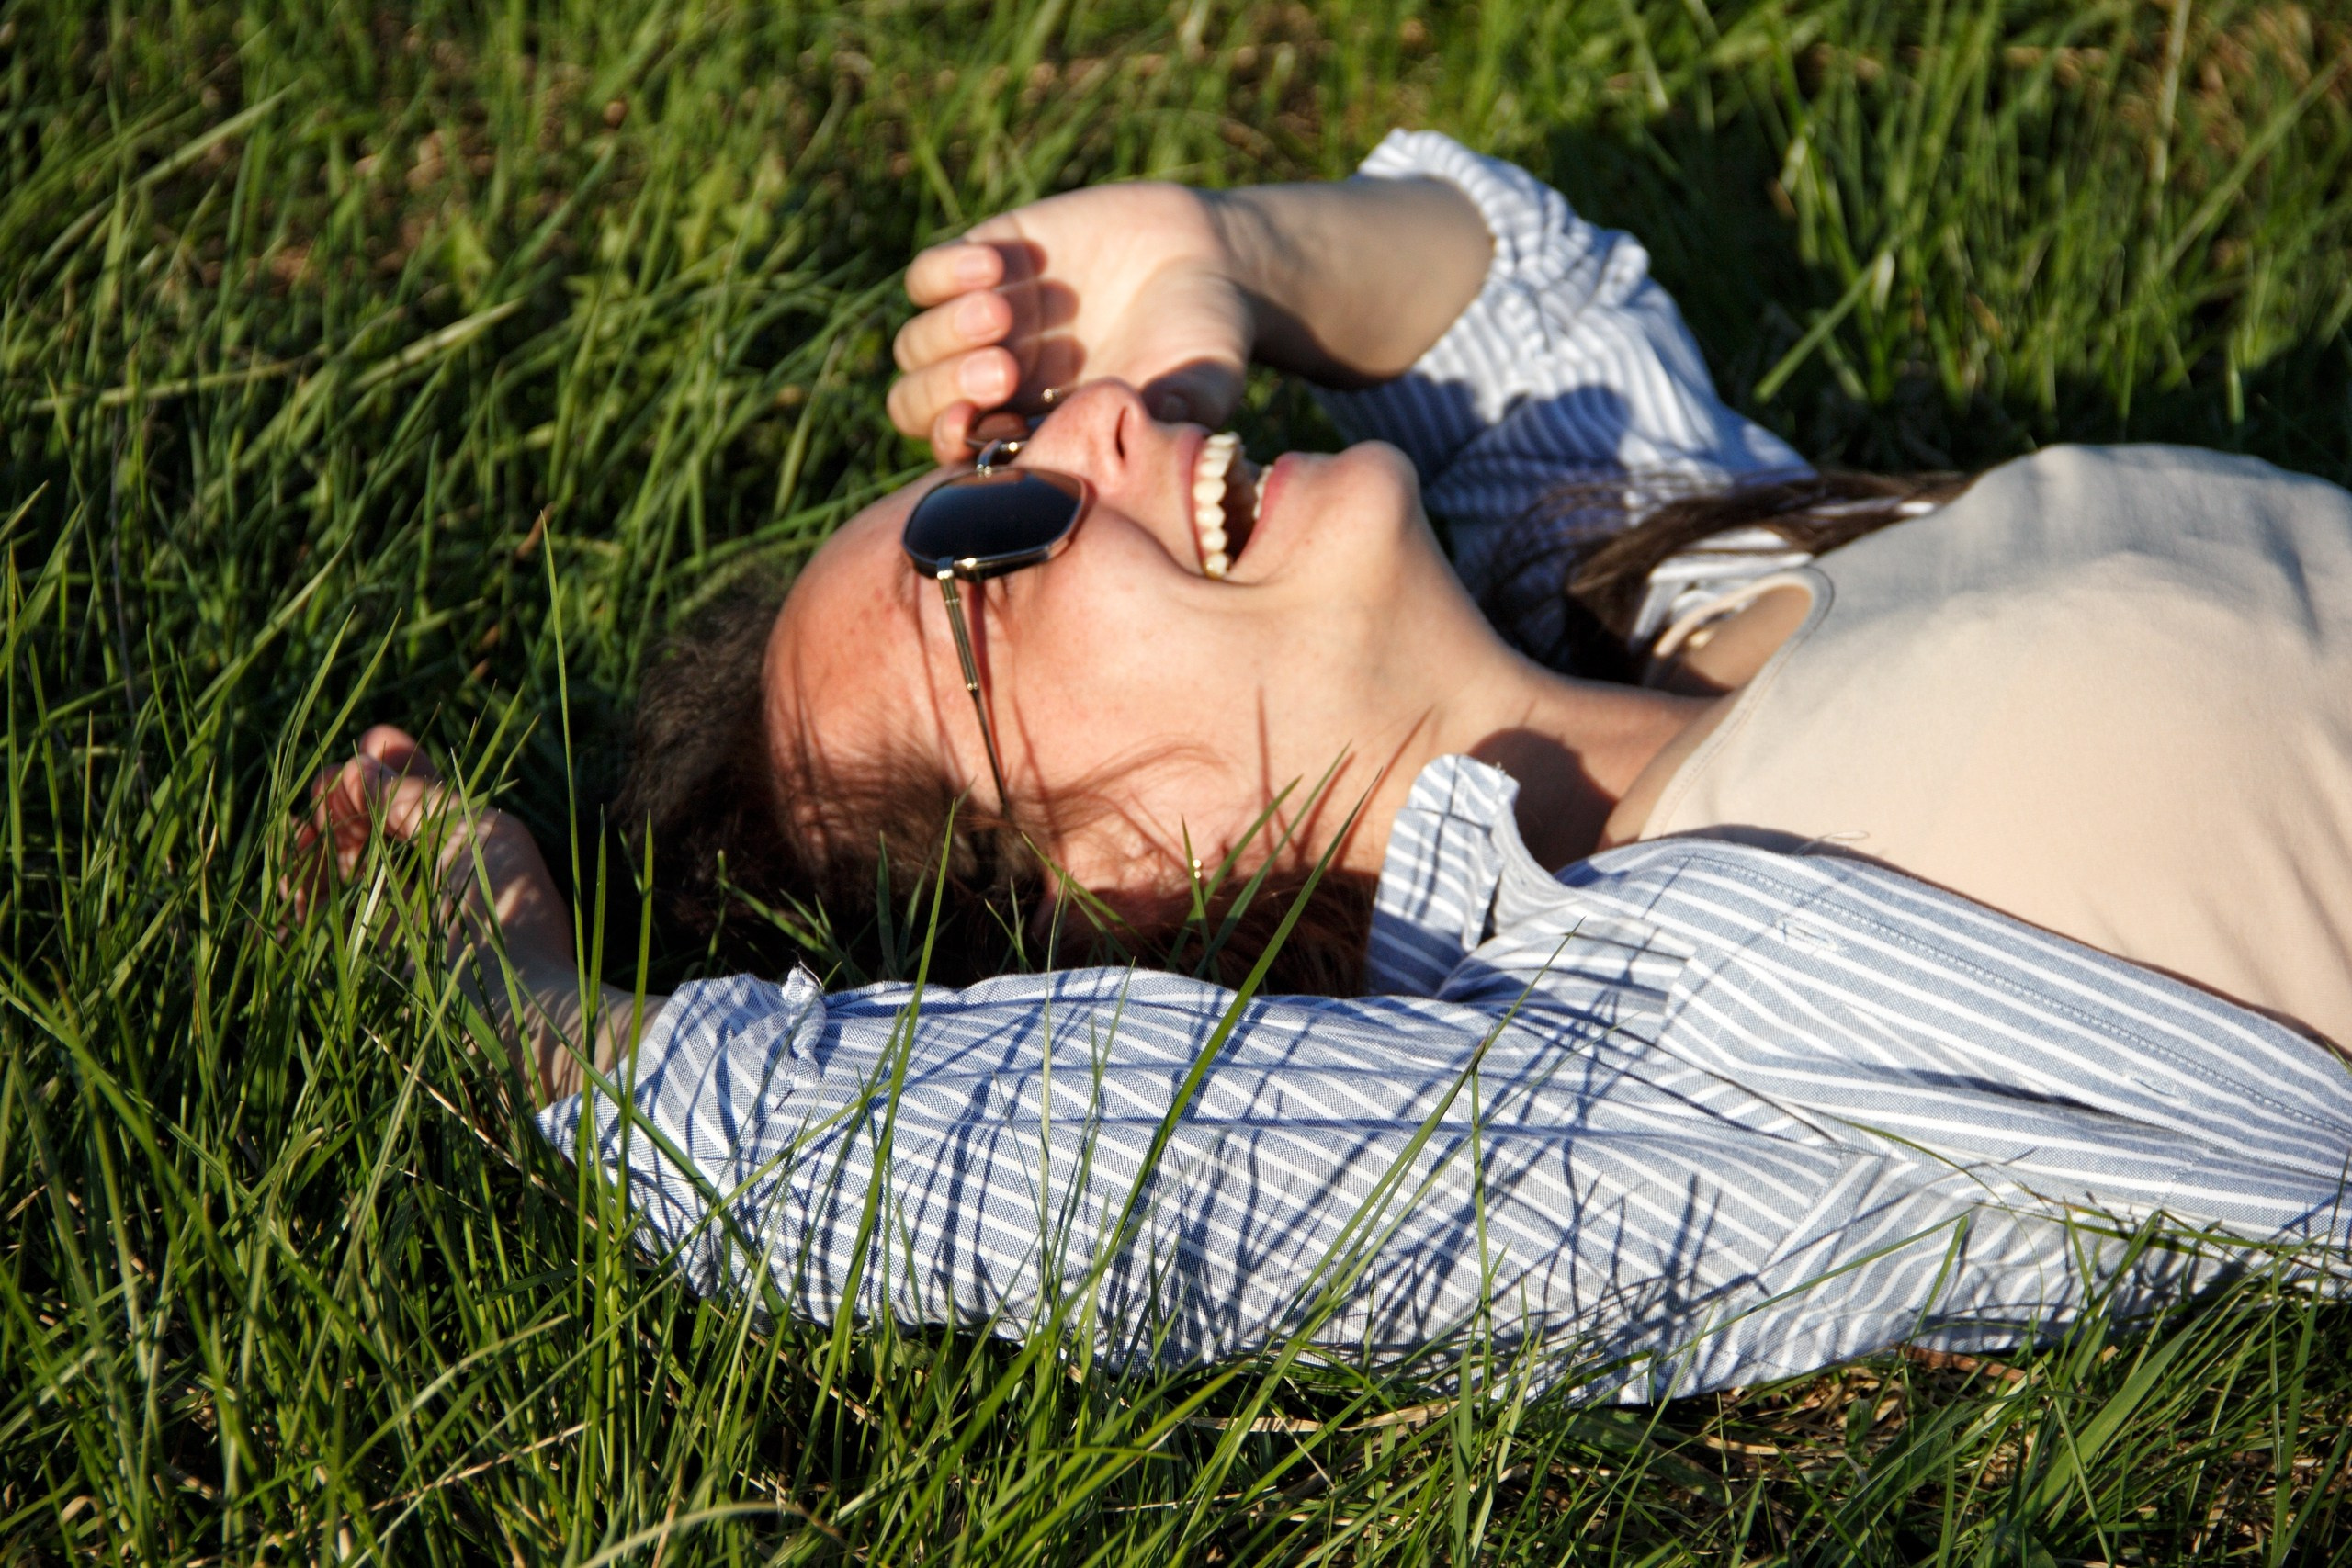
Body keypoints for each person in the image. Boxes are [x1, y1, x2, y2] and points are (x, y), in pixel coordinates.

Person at [310, 132, 2352, 1400]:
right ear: (1112, 900)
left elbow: (1507, 268)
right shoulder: (1639, 1054)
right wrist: (539, 1023)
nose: (1086, 429)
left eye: (996, 465)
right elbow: (1064, 1155)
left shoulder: (1674, 583)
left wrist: (1208, 257)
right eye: (985, 553)